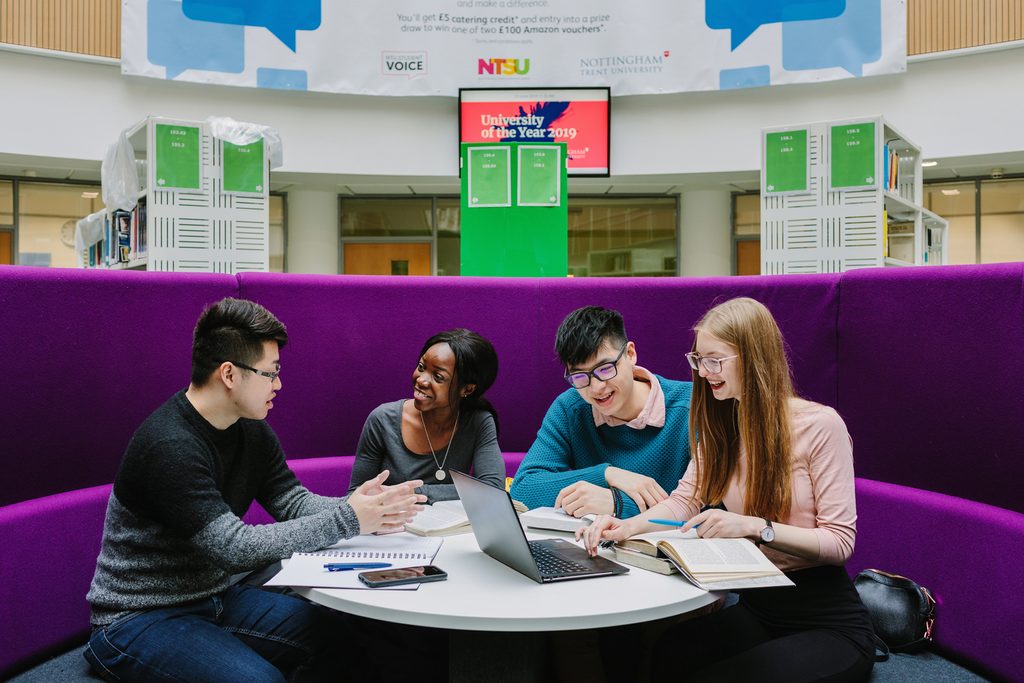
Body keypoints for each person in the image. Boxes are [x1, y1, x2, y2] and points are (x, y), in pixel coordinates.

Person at [84, 297, 426, 683]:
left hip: (214, 599)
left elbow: (290, 500)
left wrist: (362, 507)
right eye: (270, 373)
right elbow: (233, 548)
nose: (278, 384)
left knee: (345, 638)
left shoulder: (250, 429)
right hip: (137, 619)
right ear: (230, 374)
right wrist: (349, 519)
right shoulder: (169, 445)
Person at [580, 297, 876, 682]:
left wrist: (755, 527)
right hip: (759, 610)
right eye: (698, 360)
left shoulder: (821, 426)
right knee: (670, 652)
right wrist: (626, 527)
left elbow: (840, 542)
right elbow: (684, 501)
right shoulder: (722, 429)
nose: (704, 373)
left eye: (715, 361)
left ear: (753, 358)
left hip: (827, 621)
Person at [511, 306, 693, 518]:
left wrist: (618, 504)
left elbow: (712, 509)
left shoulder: (694, 406)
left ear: (630, 354)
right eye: (580, 376)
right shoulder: (570, 408)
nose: (596, 388)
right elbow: (523, 489)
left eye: (605, 369)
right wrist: (605, 474)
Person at [348, 328, 504, 501]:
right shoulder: (382, 419)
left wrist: (413, 492)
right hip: (393, 518)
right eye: (421, 367)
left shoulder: (478, 421)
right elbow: (355, 496)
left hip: (449, 520)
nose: (421, 380)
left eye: (438, 377)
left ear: (467, 389)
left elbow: (491, 489)